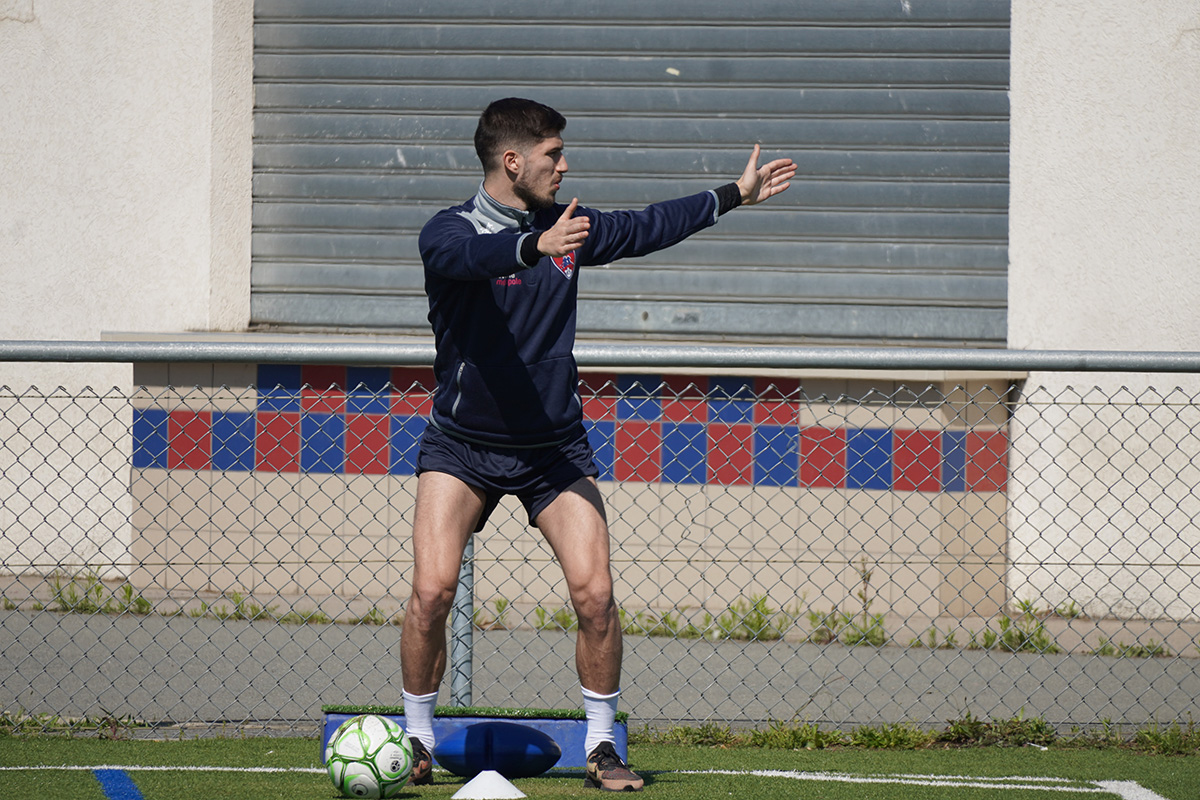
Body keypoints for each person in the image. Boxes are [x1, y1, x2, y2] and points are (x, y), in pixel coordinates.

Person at [402, 97, 795, 791]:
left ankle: (603, 747)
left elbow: (647, 227)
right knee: (432, 593)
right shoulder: (448, 231)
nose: (564, 165)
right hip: (461, 446)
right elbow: (467, 257)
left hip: (553, 451)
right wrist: (532, 246)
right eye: (553, 155)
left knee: (595, 596)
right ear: (513, 161)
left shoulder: (569, 226)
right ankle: (417, 740)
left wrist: (735, 194)